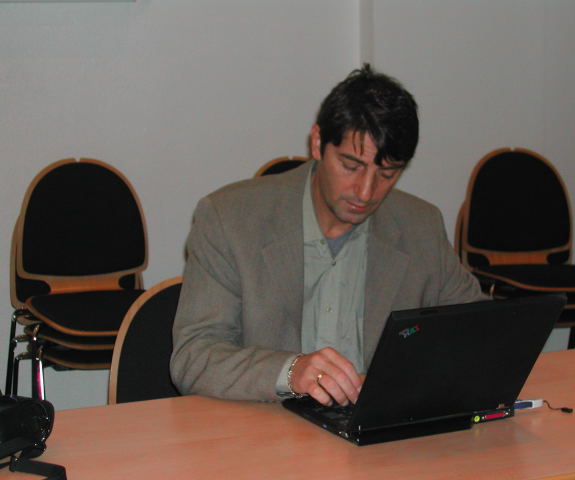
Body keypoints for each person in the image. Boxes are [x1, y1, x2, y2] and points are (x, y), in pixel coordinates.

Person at [170, 65, 485, 406]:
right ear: (318, 143)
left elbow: (479, 330)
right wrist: (291, 372)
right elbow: (194, 357)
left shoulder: (420, 226)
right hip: (267, 422)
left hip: (378, 426)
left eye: (387, 174)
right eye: (351, 166)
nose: (365, 192)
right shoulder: (229, 219)